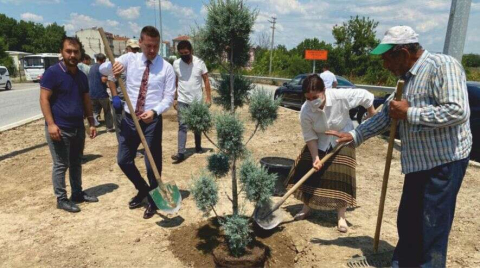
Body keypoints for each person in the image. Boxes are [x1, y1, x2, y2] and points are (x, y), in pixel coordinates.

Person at [327, 26, 472, 267]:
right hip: (418, 163)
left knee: (432, 224)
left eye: (386, 59)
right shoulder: (403, 80)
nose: (385, 65)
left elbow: (458, 111)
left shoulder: (442, 66)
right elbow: (387, 116)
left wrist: (410, 112)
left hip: (445, 161)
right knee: (408, 220)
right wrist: (354, 134)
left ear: (403, 53)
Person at [100, 26, 176, 219]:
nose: (152, 50)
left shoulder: (166, 68)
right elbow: (103, 69)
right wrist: (111, 68)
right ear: (140, 43)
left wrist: (155, 111)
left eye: (155, 46)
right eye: (148, 46)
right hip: (129, 120)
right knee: (123, 160)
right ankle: (143, 189)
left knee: (152, 164)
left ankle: (153, 199)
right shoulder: (129, 60)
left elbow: (168, 97)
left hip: (151, 122)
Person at [284, 74, 375, 233]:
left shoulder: (340, 97)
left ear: (324, 91)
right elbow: (310, 136)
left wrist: (372, 114)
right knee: (310, 173)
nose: (312, 101)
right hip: (319, 139)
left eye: (315, 97)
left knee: (341, 177)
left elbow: (366, 96)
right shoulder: (305, 111)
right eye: (308, 98)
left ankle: (341, 216)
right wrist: (315, 157)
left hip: (342, 137)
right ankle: (307, 208)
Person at [39, 36, 98, 213]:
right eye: (68, 51)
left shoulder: (81, 76)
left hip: (77, 127)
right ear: (61, 52)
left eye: (75, 52)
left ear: (80, 53)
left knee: (76, 162)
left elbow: (86, 100)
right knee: (60, 164)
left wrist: (91, 122)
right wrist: (50, 124)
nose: (72, 55)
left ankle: (78, 193)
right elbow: (44, 99)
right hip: (59, 128)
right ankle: (61, 198)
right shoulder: (52, 73)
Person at [171, 40, 212, 163]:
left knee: (197, 125)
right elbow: (175, 81)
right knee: (182, 125)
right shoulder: (176, 64)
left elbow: (206, 80)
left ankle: (198, 146)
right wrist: (175, 98)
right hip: (182, 100)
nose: (184, 55)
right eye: (181, 53)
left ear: (191, 51)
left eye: (186, 52)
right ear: (178, 53)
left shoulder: (200, 63)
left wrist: (208, 97)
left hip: (197, 100)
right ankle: (181, 153)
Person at [108, 39, 141, 141]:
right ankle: (123, 149)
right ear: (127, 49)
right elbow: (111, 80)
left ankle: (131, 149)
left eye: (136, 49)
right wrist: (115, 97)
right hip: (120, 100)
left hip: (132, 100)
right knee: (121, 126)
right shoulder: (118, 62)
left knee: (132, 126)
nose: (135, 52)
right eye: (133, 49)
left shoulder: (138, 63)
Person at [89, 53, 114, 132]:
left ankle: (93, 125)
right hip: (101, 93)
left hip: (92, 94)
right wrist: (110, 77)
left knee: (95, 111)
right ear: (103, 60)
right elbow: (103, 79)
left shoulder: (92, 67)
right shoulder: (101, 68)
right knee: (107, 111)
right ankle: (109, 127)